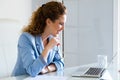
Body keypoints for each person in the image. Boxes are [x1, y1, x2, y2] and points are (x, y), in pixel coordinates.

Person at [12, 1, 67, 77]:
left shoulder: (52, 38)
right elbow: (32, 71)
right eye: (61, 24)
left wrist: (47, 69)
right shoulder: (26, 38)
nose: (63, 28)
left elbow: (61, 63)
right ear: (48, 22)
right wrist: (48, 48)